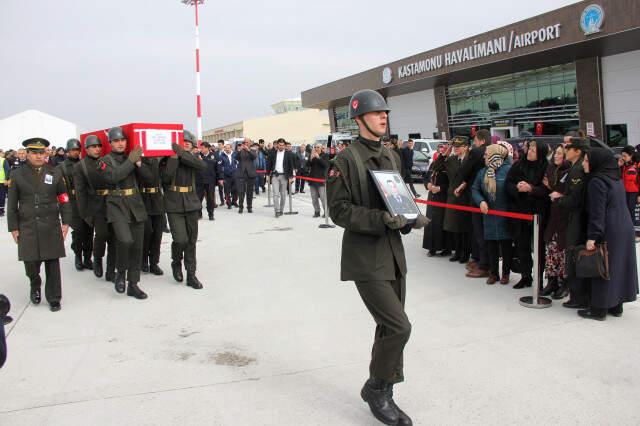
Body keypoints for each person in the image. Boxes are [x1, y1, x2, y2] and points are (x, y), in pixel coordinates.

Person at [327, 89, 428, 426]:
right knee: (400, 327)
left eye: (385, 113)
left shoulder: (391, 156)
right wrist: (380, 220)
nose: (383, 117)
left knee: (388, 327)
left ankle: (384, 388)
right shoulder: (345, 160)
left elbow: (399, 196)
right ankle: (377, 389)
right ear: (359, 120)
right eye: (375, 113)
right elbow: (339, 211)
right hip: (365, 257)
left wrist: (410, 215)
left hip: (393, 253)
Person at [7, 138, 71, 312]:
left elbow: (64, 199)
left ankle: (54, 297)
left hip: (50, 223)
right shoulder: (17, 174)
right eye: (34, 152)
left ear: (46, 154)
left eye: (41, 152)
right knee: (30, 262)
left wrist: (65, 222)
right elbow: (12, 204)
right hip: (27, 224)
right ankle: (35, 283)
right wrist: (13, 227)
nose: (38, 156)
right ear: (27, 154)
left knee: (52, 262)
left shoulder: (55, 172)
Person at [578, 148, 639, 320]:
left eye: (587, 160)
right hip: (624, 226)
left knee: (602, 265)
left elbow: (597, 212)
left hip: (609, 228)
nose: (584, 163)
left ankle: (599, 309)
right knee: (617, 266)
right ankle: (616, 306)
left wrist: (593, 237)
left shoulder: (597, 182)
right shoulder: (615, 178)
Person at [96, 127, 148, 300]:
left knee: (137, 246)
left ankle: (133, 284)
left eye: (123, 140)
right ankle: (120, 272)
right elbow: (113, 177)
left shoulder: (131, 158)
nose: (120, 143)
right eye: (116, 141)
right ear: (110, 143)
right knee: (125, 240)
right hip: (116, 205)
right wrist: (131, 161)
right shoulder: (104, 160)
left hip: (135, 203)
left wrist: (139, 165)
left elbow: (149, 179)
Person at [161, 130, 207, 289]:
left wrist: (182, 153)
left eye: (188, 141)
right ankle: (176, 262)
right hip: (174, 203)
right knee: (181, 239)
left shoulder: (192, 158)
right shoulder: (168, 158)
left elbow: (202, 166)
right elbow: (165, 178)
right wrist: (176, 156)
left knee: (191, 241)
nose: (186, 143)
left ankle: (191, 274)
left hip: (191, 203)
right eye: (183, 141)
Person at [549, 137, 589, 308]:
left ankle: (577, 296)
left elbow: (575, 199)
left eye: (568, 147)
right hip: (570, 218)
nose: (565, 149)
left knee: (573, 256)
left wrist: (559, 199)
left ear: (577, 151)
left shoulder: (577, 170)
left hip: (575, 218)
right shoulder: (574, 168)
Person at [505, 140, 549, 289]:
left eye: (533, 150)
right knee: (522, 245)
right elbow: (508, 183)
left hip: (538, 213)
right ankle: (526, 276)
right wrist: (517, 188)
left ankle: (540, 280)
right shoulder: (518, 165)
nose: (529, 151)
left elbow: (547, 189)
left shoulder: (546, 167)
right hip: (520, 211)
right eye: (529, 148)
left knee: (539, 248)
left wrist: (531, 189)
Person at [74, 135, 116, 283]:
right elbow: (80, 192)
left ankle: (111, 271)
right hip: (95, 205)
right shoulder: (81, 166)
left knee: (114, 238)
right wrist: (84, 213)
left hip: (111, 202)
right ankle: (97, 258)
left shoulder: (106, 161)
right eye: (93, 147)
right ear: (86, 149)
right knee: (102, 234)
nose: (97, 149)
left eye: (99, 146)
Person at [471, 144, 512, 284]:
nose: (484, 156)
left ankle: (506, 273)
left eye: (486, 154)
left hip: (505, 214)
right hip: (488, 215)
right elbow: (475, 189)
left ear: (495, 155)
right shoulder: (483, 172)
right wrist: (481, 201)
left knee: (506, 246)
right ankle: (493, 273)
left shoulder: (508, 170)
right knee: (491, 246)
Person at [458, 129, 491, 278]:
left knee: (479, 232)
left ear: (482, 140)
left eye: (476, 140)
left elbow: (463, 172)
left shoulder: (476, 152)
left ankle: (483, 264)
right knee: (485, 232)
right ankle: (480, 260)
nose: (474, 144)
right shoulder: (496, 151)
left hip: (477, 196)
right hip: (491, 197)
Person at [540, 145, 571, 297]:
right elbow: (549, 188)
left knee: (563, 252)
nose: (556, 156)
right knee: (551, 250)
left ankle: (564, 284)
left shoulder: (569, 171)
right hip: (553, 215)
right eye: (556, 153)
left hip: (565, 216)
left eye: (560, 153)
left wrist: (552, 187)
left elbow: (561, 190)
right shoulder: (551, 168)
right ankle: (551, 281)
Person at [58, 138, 93, 271]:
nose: (75, 152)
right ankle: (78, 256)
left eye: (77, 149)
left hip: (86, 201)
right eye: (72, 150)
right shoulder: (61, 167)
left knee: (89, 231)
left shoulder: (84, 164)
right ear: (67, 151)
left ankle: (88, 258)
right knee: (78, 232)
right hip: (72, 202)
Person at [436, 137, 473, 265]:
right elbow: (437, 166)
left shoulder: (470, 160)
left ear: (466, 147)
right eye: (455, 146)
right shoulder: (451, 159)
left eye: (459, 146)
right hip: (453, 197)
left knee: (465, 228)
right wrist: (445, 153)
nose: (456, 148)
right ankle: (457, 252)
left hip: (465, 197)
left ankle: (466, 253)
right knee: (454, 227)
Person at [422, 143, 452, 257]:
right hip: (432, 197)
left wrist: (440, 188)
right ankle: (432, 247)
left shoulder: (449, 165)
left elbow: (451, 183)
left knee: (442, 222)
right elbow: (426, 177)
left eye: (443, 152)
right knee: (431, 222)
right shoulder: (434, 164)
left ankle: (446, 248)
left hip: (442, 197)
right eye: (439, 152)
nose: (440, 154)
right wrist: (428, 184)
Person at [139, 156, 165, 275]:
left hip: (157, 199)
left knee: (157, 233)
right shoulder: (138, 160)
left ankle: (154, 263)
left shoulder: (157, 159)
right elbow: (148, 179)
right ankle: (143, 260)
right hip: (143, 199)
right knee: (146, 232)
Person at [267, 139, 295, 218]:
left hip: (284, 176)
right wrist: (267, 175)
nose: (281, 146)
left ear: (285, 146)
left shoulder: (288, 154)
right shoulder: (272, 153)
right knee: (275, 194)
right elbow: (269, 164)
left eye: (283, 145)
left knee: (283, 195)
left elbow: (291, 166)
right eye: (280, 145)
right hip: (275, 175)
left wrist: (291, 177)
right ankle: (277, 210)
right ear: (277, 145)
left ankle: (281, 210)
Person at [196, 142, 221, 220]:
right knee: (198, 198)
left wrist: (220, 178)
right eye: (201, 148)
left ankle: (211, 214)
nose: (201, 149)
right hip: (199, 181)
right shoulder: (197, 156)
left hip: (210, 181)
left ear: (208, 148)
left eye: (203, 148)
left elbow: (219, 169)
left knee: (210, 199)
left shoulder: (214, 156)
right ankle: (199, 214)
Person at [235, 137, 257, 214]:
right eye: (245, 142)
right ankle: (241, 207)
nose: (246, 143)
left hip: (250, 173)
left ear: (250, 143)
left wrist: (248, 150)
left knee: (250, 192)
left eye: (247, 142)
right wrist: (239, 150)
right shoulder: (240, 150)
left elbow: (254, 157)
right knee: (241, 192)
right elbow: (236, 158)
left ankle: (249, 207)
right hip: (241, 173)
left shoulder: (253, 150)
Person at [307, 143, 329, 218]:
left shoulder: (325, 155)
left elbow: (325, 165)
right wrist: (310, 158)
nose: (316, 148)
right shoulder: (312, 154)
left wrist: (319, 158)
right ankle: (317, 211)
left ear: (321, 148)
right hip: (312, 179)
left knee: (323, 198)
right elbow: (307, 165)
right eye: (315, 147)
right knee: (314, 198)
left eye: (318, 147)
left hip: (321, 180)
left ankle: (326, 212)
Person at [620, 145, 639, 226]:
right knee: (626, 209)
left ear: (631, 156)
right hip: (625, 191)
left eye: (625, 156)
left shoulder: (637, 165)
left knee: (631, 209)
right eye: (622, 155)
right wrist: (619, 166)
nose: (623, 157)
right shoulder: (623, 165)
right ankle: (629, 225)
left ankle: (633, 226)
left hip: (634, 192)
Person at [218, 142, 238, 209]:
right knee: (227, 191)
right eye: (226, 148)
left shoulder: (235, 154)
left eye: (228, 148)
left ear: (231, 148)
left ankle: (234, 201)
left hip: (234, 175)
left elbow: (238, 163)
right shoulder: (221, 156)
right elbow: (220, 168)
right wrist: (221, 178)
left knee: (235, 190)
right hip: (226, 176)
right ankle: (228, 203)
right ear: (224, 148)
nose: (227, 149)